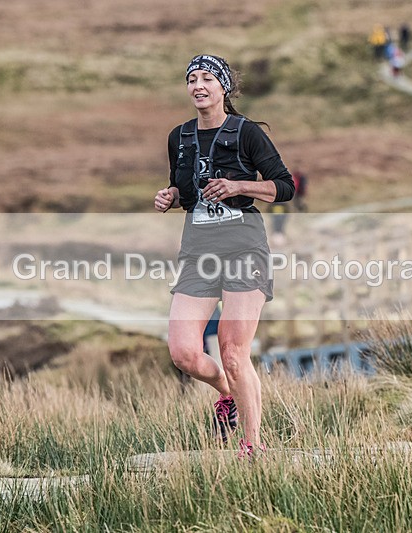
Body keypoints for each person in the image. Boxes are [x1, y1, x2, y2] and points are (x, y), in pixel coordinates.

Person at [153, 54, 294, 458]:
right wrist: (171, 196)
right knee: (183, 353)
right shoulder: (178, 137)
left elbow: (284, 187)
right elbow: (184, 189)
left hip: (244, 247)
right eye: (191, 79)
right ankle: (228, 395)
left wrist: (238, 187)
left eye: (206, 79)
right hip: (197, 251)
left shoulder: (246, 132)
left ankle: (252, 444)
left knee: (233, 352)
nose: (198, 86)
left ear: (224, 87)